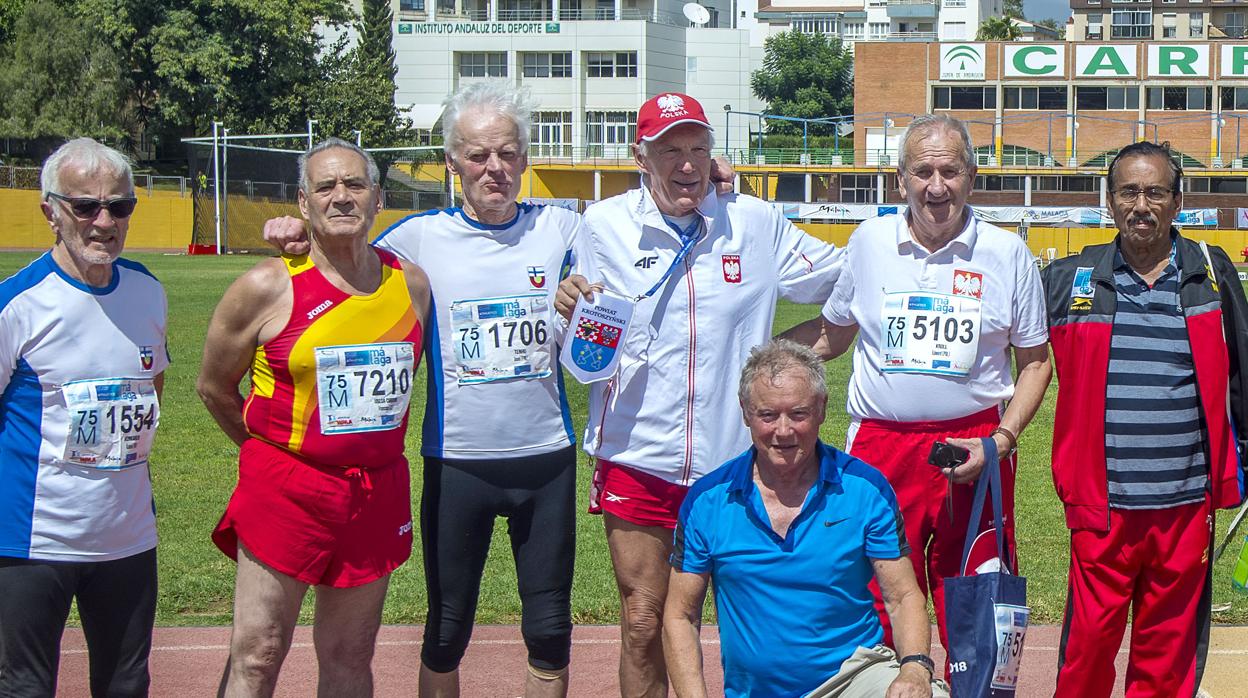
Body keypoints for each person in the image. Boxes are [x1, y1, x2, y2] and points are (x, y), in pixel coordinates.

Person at [556, 92, 843, 696]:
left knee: (759, 621)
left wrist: (778, 360)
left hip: (735, 464)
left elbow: (847, 282)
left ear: (715, 155)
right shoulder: (603, 225)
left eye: (697, 149)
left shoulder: (754, 222)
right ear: (641, 156)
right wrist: (568, 312)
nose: (686, 164)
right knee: (642, 621)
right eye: (670, 150)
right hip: (638, 457)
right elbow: (582, 338)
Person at [197, 138, 430, 696]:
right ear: (303, 203)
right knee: (258, 653)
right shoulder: (266, 286)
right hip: (286, 489)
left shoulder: (412, 284)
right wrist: (267, 452)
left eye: (354, 184)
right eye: (326, 186)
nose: (341, 197)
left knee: (351, 656)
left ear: (378, 197)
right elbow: (212, 387)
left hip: (375, 491)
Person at [814, 114, 1051, 660]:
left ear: (972, 176)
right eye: (922, 172)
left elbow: (1036, 362)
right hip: (879, 447)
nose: (936, 187)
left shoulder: (1006, 253)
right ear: (901, 179)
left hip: (973, 445)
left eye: (950, 171)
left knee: (976, 595)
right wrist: (757, 357)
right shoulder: (869, 242)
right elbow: (834, 332)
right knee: (873, 593)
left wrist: (1002, 441)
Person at [1040, 140, 1248, 697]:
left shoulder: (1210, 270)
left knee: (1167, 659)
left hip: (1185, 505)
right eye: (1129, 191)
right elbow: (1023, 360)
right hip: (1102, 508)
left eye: (1155, 191)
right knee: (1086, 653)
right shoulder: (1067, 280)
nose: (1141, 204)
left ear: (1177, 202)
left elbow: (1243, 375)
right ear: (1109, 200)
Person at [663, 340, 948, 698]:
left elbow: (903, 595)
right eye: (768, 415)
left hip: (853, 679)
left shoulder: (864, 489)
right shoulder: (707, 501)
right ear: (745, 411)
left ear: (822, 409)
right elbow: (680, 616)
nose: (783, 431)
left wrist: (915, 669)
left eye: (798, 414)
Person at [0, 138, 167, 696]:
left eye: (120, 207)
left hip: (127, 539)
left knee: (126, 685)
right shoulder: (18, 305)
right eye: (85, 206)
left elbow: (151, 393)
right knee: (24, 688)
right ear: (50, 211)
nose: (104, 221)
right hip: (32, 542)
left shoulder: (147, 290)